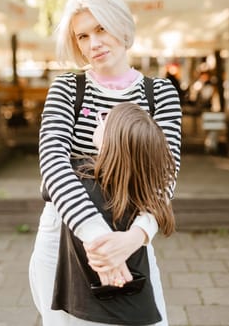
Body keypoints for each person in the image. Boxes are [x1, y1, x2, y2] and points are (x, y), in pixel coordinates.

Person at [29, 0, 182, 326]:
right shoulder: (68, 87)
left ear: (122, 27)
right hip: (65, 233)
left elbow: (164, 177)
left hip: (130, 231)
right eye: (82, 36)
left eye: (101, 28)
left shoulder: (160, 94)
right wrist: (99, 241)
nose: (93, 43)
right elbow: (54, 165)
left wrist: (134, 238)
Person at [51, 102, 176, 325]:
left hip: (88, 303)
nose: (97, 124)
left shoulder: (79, 176)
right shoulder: (144, 189)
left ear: (109, 140)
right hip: (136, 305)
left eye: (102, 121)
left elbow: (50, 182)